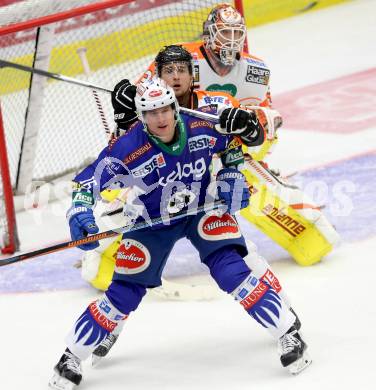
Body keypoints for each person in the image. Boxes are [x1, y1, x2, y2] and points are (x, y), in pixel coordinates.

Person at [49, 79, 311, 390]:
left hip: (200, 208)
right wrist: (79, 213)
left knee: (231, 270)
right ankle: (71, 357)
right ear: (141, 117)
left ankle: (288, 334)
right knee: (123, 294)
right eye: (151, 113)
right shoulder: (128, 147)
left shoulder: (202, 123)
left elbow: (231, 145)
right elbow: (87, 184)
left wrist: (230, 174)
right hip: (150, 220)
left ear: (174, 107)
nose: (160, 119)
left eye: (164, 110)